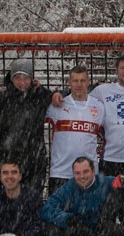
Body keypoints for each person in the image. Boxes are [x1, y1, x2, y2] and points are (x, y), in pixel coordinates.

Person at [40, 156, 114, 236]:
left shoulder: (107, 182)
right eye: (77, 173)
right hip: (78, 233)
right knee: (52, 226)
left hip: (101, 235)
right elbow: (47, 208)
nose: (82, 176)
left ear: (93, 171)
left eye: (85, 172)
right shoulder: (69, 187)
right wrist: (67, 218)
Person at [0, 59, 52, 192]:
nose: (22, 82)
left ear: (32, 79)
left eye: (26, 78)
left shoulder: (40, 96)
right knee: (6, 202)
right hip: (9, 159)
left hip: (35, 159)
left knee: (33, 200)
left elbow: (61, 97)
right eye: (17, 77)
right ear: (11, 78)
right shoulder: (1, 98)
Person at [45, 65, 105, 194]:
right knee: (58, 213)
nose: (79, 84)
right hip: (61, 174)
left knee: (88, 214)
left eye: (82, 80)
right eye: (75, 81)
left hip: (88, 176)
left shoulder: (99, 107)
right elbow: (36, 103)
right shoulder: (56, 105)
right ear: (69, 82)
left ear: (88, 82)